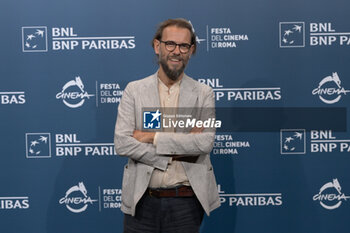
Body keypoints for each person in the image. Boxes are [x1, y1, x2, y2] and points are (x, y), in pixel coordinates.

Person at [114, 18, 220, 233]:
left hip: (186, 203)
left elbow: (204, 143)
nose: (176, 51)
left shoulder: (203, 94)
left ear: (191, 51)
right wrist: (178, 150)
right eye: (170, 44)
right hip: (142, 201)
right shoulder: (134, 91)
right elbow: (123, 143)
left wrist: (153, 137)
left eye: (184, 46)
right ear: (157, 46)